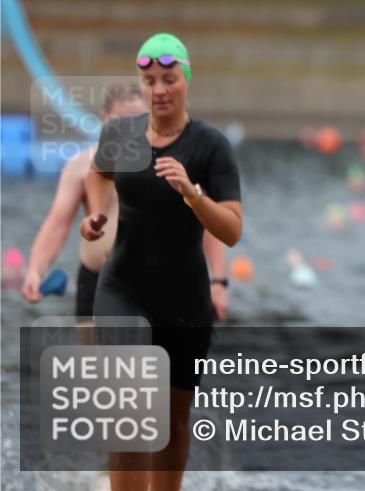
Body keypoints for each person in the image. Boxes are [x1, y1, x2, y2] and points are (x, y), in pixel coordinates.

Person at [80, 33, 243, 491]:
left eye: (169, 79)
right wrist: (96, 211)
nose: (159, 90)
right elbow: (98, 170)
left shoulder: (210, 146)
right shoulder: (121, 134)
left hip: (185, 300)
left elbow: (231, 230)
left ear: (186, 80)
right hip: (123, 288)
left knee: (172, 423)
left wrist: (193, 194)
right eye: (149, 80)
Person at [21, 84, 230, 321]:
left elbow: (207, 222)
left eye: (140, 120)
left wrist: (218, 282)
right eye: (123, 120)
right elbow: (57, 224)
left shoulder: (174, 166)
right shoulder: (80, 166)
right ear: (105, 120)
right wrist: (35, 271)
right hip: (96, 282)